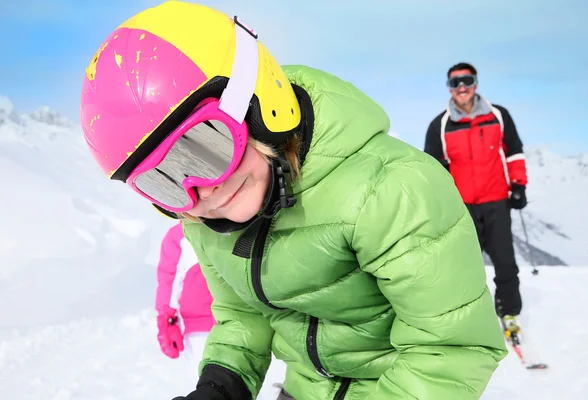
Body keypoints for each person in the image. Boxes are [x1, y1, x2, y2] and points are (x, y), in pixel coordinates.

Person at [79, 2, 507, 399]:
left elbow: (452, 347)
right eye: (164, 181)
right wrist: (221, 386)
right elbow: (241, 313)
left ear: (261, 102)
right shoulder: (201, 219)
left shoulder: (391, 188)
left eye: (205, 146)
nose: (200, 189)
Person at [423, 62, 529, 333]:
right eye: (455, 83)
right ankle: (464, 312)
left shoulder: (498, 115)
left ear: (476, 84)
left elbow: (514, 150)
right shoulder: (441, 125)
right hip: (463, 206)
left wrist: (519, 185)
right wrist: (440, 201)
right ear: (449, 88)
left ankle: (508, 312)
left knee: (505, 261)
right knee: (462, 263)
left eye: (467, 81)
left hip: (496, 201)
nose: (461, 88)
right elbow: (433, 169)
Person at [155, 220, 216, 381]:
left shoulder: (237, 219)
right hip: (200, 328)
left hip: (240, 320)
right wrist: (166, 319)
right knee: (204, 383)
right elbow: (169, 278)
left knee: (243, 383)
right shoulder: (180, 235)